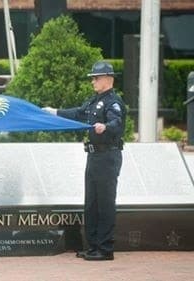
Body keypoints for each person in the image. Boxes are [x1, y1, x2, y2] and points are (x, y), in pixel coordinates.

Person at [43, 61, 126, 261]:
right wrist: (55, 111)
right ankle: (93, 246)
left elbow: (117, 123)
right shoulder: (94, 100)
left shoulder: (113, 102)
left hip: (107, 156)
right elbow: (78, 113)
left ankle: (105, 249)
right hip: (94, 155)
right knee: (91, 203)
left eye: (97, 78)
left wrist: (105, 127)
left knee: (104, 203)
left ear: (108, 79)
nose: (93, 81)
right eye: (93, 78)